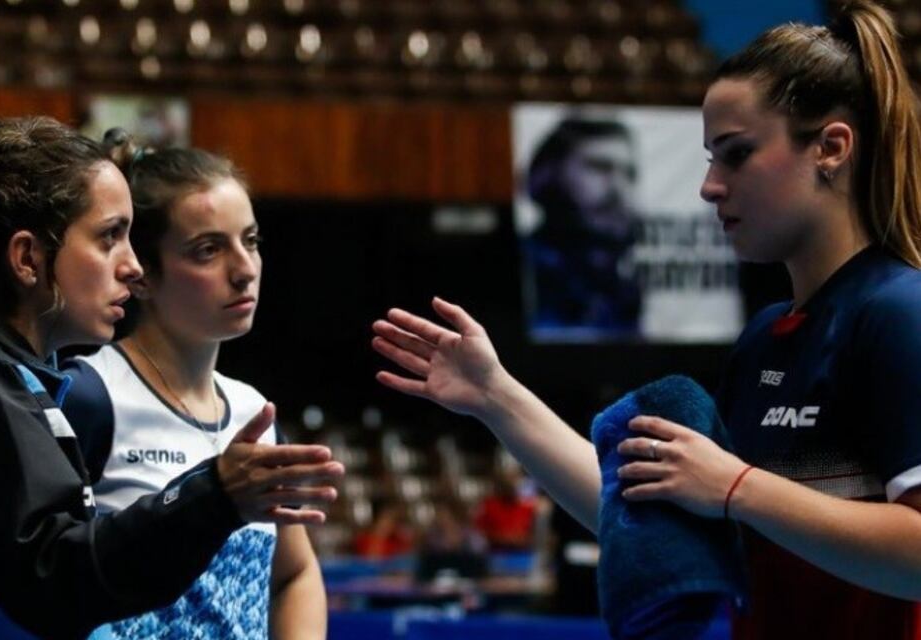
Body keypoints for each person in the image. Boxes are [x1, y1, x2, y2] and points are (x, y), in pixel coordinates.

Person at [373, 1, 921, 636]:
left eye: (736, 154)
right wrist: (497, 398)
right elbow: (647, 507)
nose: (709, 185)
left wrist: (737, 486)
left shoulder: (897, 314)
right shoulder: (767, 341)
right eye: (710, 157)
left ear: (831, 147)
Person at [0, 117, 343, 640]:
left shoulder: (12, 378)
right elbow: (58, 580)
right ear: (27, 258)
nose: (131, 266)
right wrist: (213, 495)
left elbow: (293, 573)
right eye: (110, 237)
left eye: (252, 241)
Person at [60, 132, 329, 639]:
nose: (245, 270)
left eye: (250, 241)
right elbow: (44, 579)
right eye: (208, 250)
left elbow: (295, 574)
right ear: (140, 275)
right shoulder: (90, 396)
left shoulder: (254, 412)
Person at [523, 118, 642, 335]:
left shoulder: (623, 289)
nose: (618, 189)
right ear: (546, 175)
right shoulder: (524, 270)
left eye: (629, 174)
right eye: (599, 167)